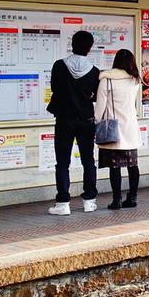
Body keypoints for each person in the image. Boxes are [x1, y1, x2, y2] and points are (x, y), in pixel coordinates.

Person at [48, 29, 100, 215]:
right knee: (88, 160)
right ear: (90, 48)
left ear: (72, 44)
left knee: (62, 161)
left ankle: (63, 203)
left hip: (64, 119)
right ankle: (89, 201)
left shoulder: (59, 65)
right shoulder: (94, 71)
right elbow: (96, 96)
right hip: (86, 119)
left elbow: (54, 88)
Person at [95, 48, 143, 210]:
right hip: (130, 127)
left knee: (114, 167)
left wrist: (97, 123)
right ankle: (133, 198)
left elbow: (100, 107)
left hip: (113, 128)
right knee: (132, 165)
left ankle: (117, 200)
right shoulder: (135, 80)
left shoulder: (106, 80)